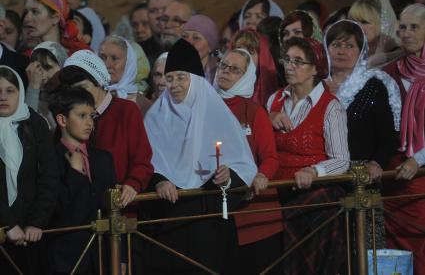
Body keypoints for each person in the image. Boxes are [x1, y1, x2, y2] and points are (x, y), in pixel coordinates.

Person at [143, 39, 257, 274]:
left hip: (209, 219)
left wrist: (228, 176)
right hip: (170, 220)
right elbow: (145, 163)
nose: (173, 84)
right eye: (170, 78)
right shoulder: (155, 116)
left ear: (195, 80)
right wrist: (159, 181)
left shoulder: (217, 114)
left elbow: (243, 165)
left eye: (181, 77)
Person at [267, 37, 350, 274]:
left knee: (317, 202)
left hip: (309, 189)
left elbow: (342, 160)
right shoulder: (275, 100)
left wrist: (314, 171)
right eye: (288, 60)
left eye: (298, 62)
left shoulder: (331, 106)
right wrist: (267, 118)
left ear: (315, 69)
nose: (290, 66)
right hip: (275, 185)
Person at [324, 20, 401, 255]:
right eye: (336, 44)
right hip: (325, 177)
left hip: (361, 176)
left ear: (361, 51)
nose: (341, 51)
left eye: (349, 46)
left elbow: (389, 136)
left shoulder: (373, 85)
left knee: (365, 248)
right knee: (330, 250)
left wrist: (377, 162)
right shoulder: (315, 84)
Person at [215, 48, 281, 274]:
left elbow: (271, 157)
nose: (225, 72)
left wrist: (261, 175)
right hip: (219, 211)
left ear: (246, 77)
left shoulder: (253, 111)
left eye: (235, 70)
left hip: (256, 213)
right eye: (223, 65)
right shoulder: (206, 107)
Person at [59, 50, 153, 205]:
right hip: (81, 210)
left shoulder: (126, 110)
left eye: (84, 87)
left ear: (99, 82)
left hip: (120, 207)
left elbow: (142, 160)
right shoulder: (69, 114)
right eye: (73, 91)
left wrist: (132, 184)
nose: (79, 95)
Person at [46, 86, 116, 274]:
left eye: (91, 116)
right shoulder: (48, 159)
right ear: (62, 119)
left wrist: (120, 256)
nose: (89, 123)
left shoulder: (103, 158)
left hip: (101, 257)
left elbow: (112, 212)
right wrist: (75, 173)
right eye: (81, 116)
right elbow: (56, 209)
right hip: (65, 259)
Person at [0, 66, 59, 274]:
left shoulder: (35, 124)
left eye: (10, 90)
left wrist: (37, 223)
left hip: (32, 232)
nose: (3, 97)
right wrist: (8, 224)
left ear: (20, 92)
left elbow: (50, 177)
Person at [382, 3, 425, 275]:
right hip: (395, 175)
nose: (406, 33)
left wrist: (418, 160)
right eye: (402, 27)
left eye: (414, 27)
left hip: (419, 173)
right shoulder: (389, 72)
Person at [98, 35, 152, 116]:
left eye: (114, 58)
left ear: (128, 64)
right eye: (102, 58)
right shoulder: (90, 98)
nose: (107, 64)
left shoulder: (144, 106)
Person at [23, 0, 90, 55]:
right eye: (26, 12)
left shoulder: (80, 56)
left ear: (55, 18)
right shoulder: (28, 57)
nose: (26, 19)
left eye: (35, 12)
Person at [348, 0, 404, 68]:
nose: (358, 27)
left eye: (364, 22)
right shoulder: (351, 57)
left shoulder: (404, 61)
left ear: (383, 24)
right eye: (354, 22)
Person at [231, 28, 280, 106]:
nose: (244, 56)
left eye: (251, 51)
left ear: (261, 57)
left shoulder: (276, 97)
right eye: (239, 51)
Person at [25, 41, 68, 130]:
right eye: (38, 69)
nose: (43, 76)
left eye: (48, 68)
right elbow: (28, 130)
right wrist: (33, 87)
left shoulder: (75, 97)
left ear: (63, 66)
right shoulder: (35, 98)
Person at [141, 0, 179, 66]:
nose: (159, 15)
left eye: (165, 9)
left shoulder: (195, 48)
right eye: (153, 11)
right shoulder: (138, 54)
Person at [182, 14, 219, 83]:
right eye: (185, 37)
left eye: (196, 38)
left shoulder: (220, 77)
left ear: (210, 47)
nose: (188, 43)